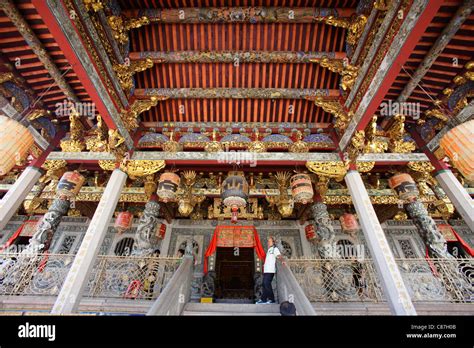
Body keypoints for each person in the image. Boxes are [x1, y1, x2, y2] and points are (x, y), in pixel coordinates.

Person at [256, 236, 285, 304]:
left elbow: (279, 256)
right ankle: (263, 299)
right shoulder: (269, 250)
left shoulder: (275, 249)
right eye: (268, 241)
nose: (268, 242)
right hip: (266, 271)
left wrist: (282, 261)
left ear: (273, 242)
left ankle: (272, 299)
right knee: (264, 284)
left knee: (266, 284)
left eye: (269, 241)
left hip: (270, 271)